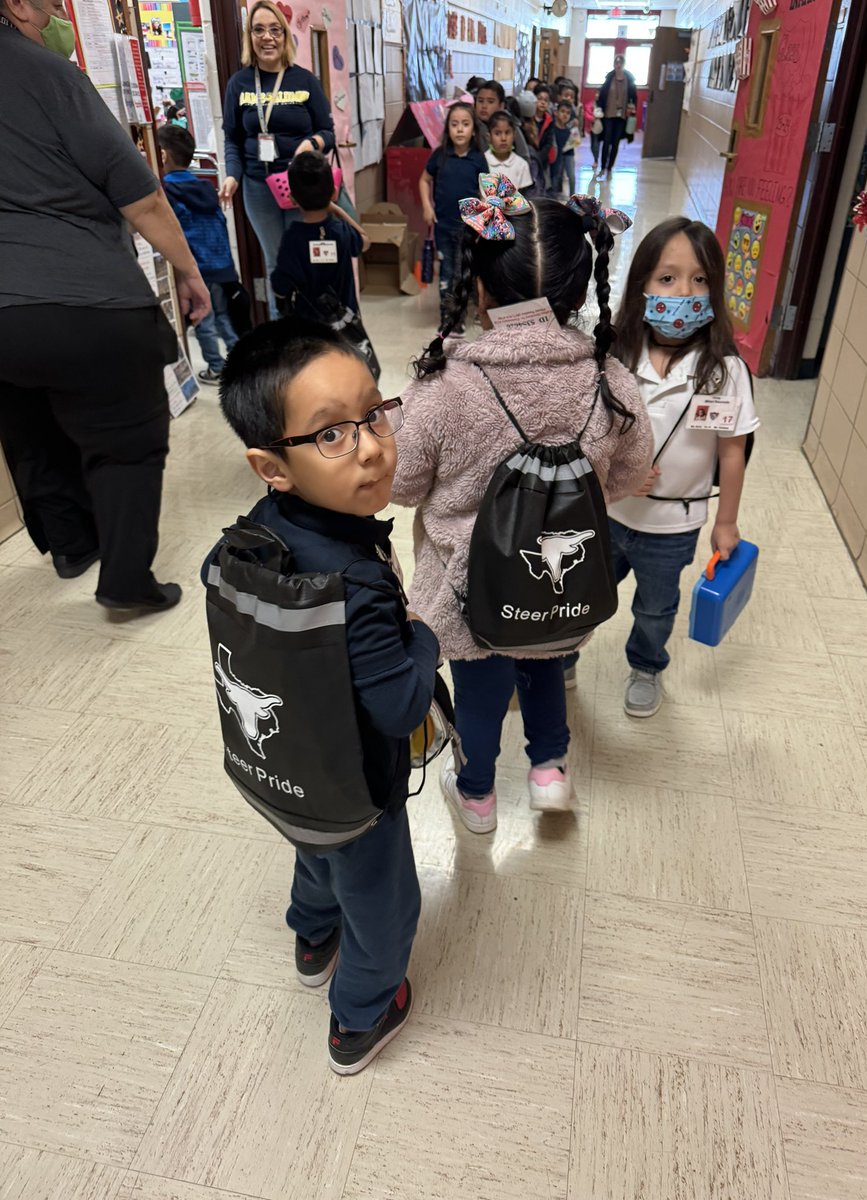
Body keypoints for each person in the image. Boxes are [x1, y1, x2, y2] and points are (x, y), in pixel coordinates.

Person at [211, 317, 439, 1073]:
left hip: (286, 767)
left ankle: (312, 934)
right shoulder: (360, 583)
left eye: (374, 414)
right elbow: (402, 709)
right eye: (331, 436)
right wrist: (423, 635)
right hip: (356, 785)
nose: (372, 445)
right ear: (271, 465)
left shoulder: (251, 536)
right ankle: (361, 1013)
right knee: (383, 899)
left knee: (315, 851)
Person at [392, 184, 653, 831]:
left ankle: (477, 797)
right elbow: (630, 470)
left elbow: (399, 484)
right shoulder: (607, 377)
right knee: (546, 671)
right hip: (560, 587)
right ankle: (549, 773)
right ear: (576, 290)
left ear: (480, 288)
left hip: (469, 593)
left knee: (482, 693)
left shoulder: (445, 382)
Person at [0, 0, 210, 613]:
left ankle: (71, 546)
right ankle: (125, 581)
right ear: (16, 5)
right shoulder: (47, 73)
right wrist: (188, 271)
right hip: (85, 295)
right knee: (126, 441)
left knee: (28, 429)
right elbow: (140, 197)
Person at [607, 217, 759, 717]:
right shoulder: (617, 355)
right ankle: (561, 655)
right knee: (583, 591)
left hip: (673, 526)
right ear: (642, 286)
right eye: (667, 279)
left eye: (699, 280)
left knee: (655, 606)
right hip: (607, 513)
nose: (683, 292)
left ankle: (646, 665)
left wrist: (728, 522)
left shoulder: (725, 369)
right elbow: (589, 428)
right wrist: (616, 469)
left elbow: (732, 450)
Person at [220, 0, 336, 300]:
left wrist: (312, 144)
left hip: (301, 185)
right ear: (250, 37)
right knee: (276, 265)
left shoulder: (305, 80)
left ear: (284, 36)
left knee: (306, 261)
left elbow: (328, 133)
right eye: (258, 30)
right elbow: (232, 137)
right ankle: (285, 340)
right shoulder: (239, 84)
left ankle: (313, 335)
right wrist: (232, 176)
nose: (267, 37)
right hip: (259, 187)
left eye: (274, 30)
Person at [159, 124, 240, 384]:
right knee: (222, 314)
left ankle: (216, 367)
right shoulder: (206, 187)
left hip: (193, 265)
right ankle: (240, 364)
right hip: (220, 262)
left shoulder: (166, 191)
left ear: (163, 155)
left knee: (202, 318)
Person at [419, 102, 488, 334]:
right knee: (447, 273)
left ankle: (460, 316)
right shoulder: (440, 156)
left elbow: (485, 190)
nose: (460, 129)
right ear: (447, 127)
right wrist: (427, 207)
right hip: (443, 227)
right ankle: (447, 319)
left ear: (474, 130)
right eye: (454, 124)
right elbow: (423, 180)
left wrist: (484, 213)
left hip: (468, 228)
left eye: (465, 124)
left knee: (463, 273)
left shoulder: (478, 159)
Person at [271, 151, 367, 317]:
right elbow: (365, 241)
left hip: (309, 332)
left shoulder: (292, 239)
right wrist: (337, 209)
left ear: (292, 198)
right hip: (345, 328)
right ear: (334, 193)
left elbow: (280, 286)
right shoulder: (341, 232)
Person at [596, 54, 637, 177]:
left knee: (615, 142)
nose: (618, 65)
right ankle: (602, 167)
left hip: (622, 116)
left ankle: (609, 168)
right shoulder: (609, 79)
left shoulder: (629, 81)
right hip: (609, 114)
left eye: (620, 63)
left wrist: (631, 108)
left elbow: (633, 98)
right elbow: (602, 95)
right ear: (614, 65)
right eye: (616, 63)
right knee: (606, 141)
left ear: (623, 65)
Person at [473, 80, 530, 159]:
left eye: (490, 102)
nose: (484, 106)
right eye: (480, 101)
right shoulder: (471, 126)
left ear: (501, 106)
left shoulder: (511, 126)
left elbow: (524, 157)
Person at [484, 111, 533, 193]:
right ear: (489, 137)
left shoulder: (521, 165)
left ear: (514, 135)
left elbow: (525, 196)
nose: (503, 138)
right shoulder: (482, 161)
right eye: (497, 133)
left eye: (507, 133)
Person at [549, 99, 578, 198]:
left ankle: (573, 199)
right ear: (556, 113)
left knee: (572, 177)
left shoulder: (570, 129)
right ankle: (553, 198)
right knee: (556, 176)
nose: (565, 115)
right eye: (562, 111)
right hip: (556, 156)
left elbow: (575, 141)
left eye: (568, 113)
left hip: (569, 154)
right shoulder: (552, 128)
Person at [533, 84, 556, 185]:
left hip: (543, 159)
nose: (542, 102)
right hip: (530, 158)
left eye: (546, 100)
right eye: (540, 99)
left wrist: (540, 157)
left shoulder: (549, 120)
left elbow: (549, 142)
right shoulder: (528, 118)